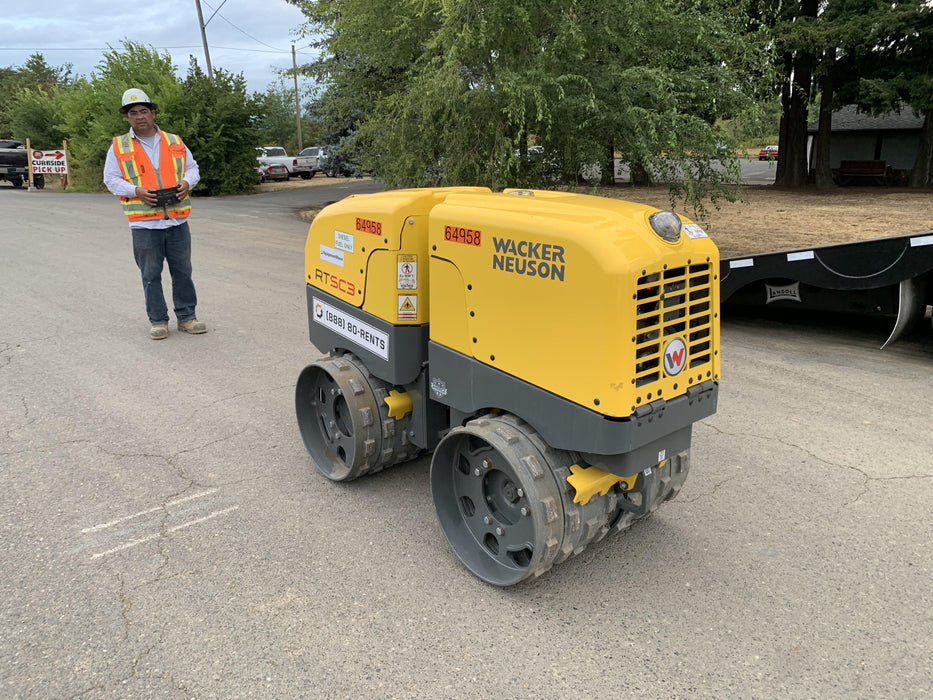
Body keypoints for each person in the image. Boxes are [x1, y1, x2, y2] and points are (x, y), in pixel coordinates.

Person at [103, 87, 207, 340]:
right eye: (133, 112)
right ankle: (158, 320)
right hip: (143, 225)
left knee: (182, 271)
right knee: (150, 275)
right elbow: (111, 179)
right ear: (127, 117)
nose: (139, 116)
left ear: (152, 113)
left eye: (143, 111)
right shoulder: (119, 146)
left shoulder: (174, 141)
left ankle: (187, 317)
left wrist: (187, 182)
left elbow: (192, 169)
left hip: (177, 221)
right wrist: (135, 190)